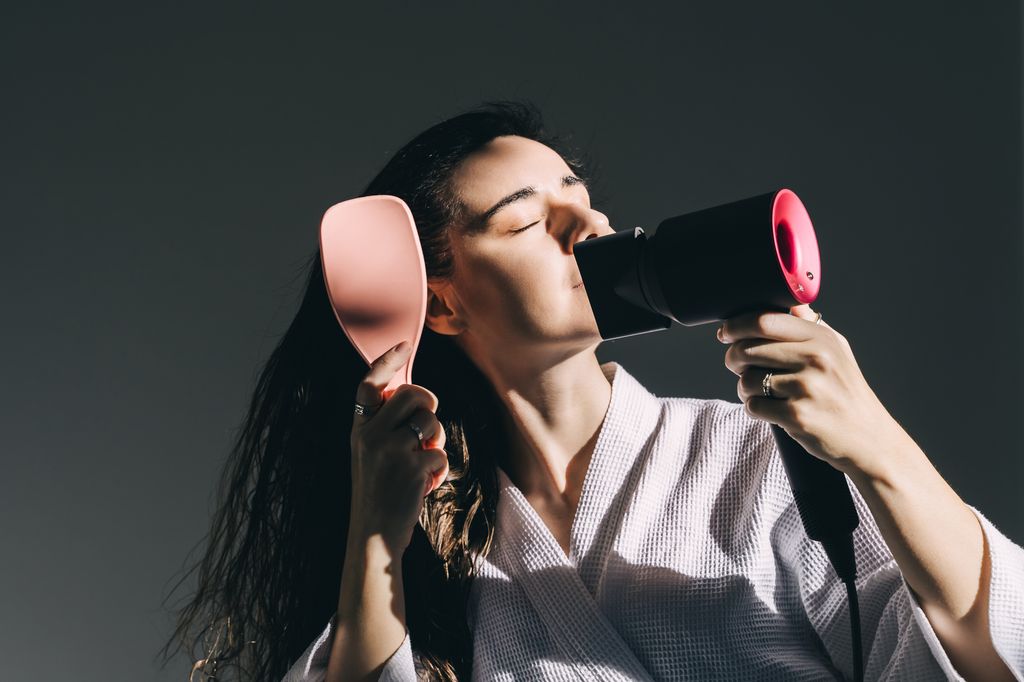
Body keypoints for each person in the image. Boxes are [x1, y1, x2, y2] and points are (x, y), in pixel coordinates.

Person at [159, 101, 1024, 682]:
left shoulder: (762, 455)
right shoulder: (442, 560)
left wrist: (878, 446)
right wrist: (374, 542)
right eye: (532, 219)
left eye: (584, 199)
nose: (594, 227)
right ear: (443, 300)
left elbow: (996, 657)